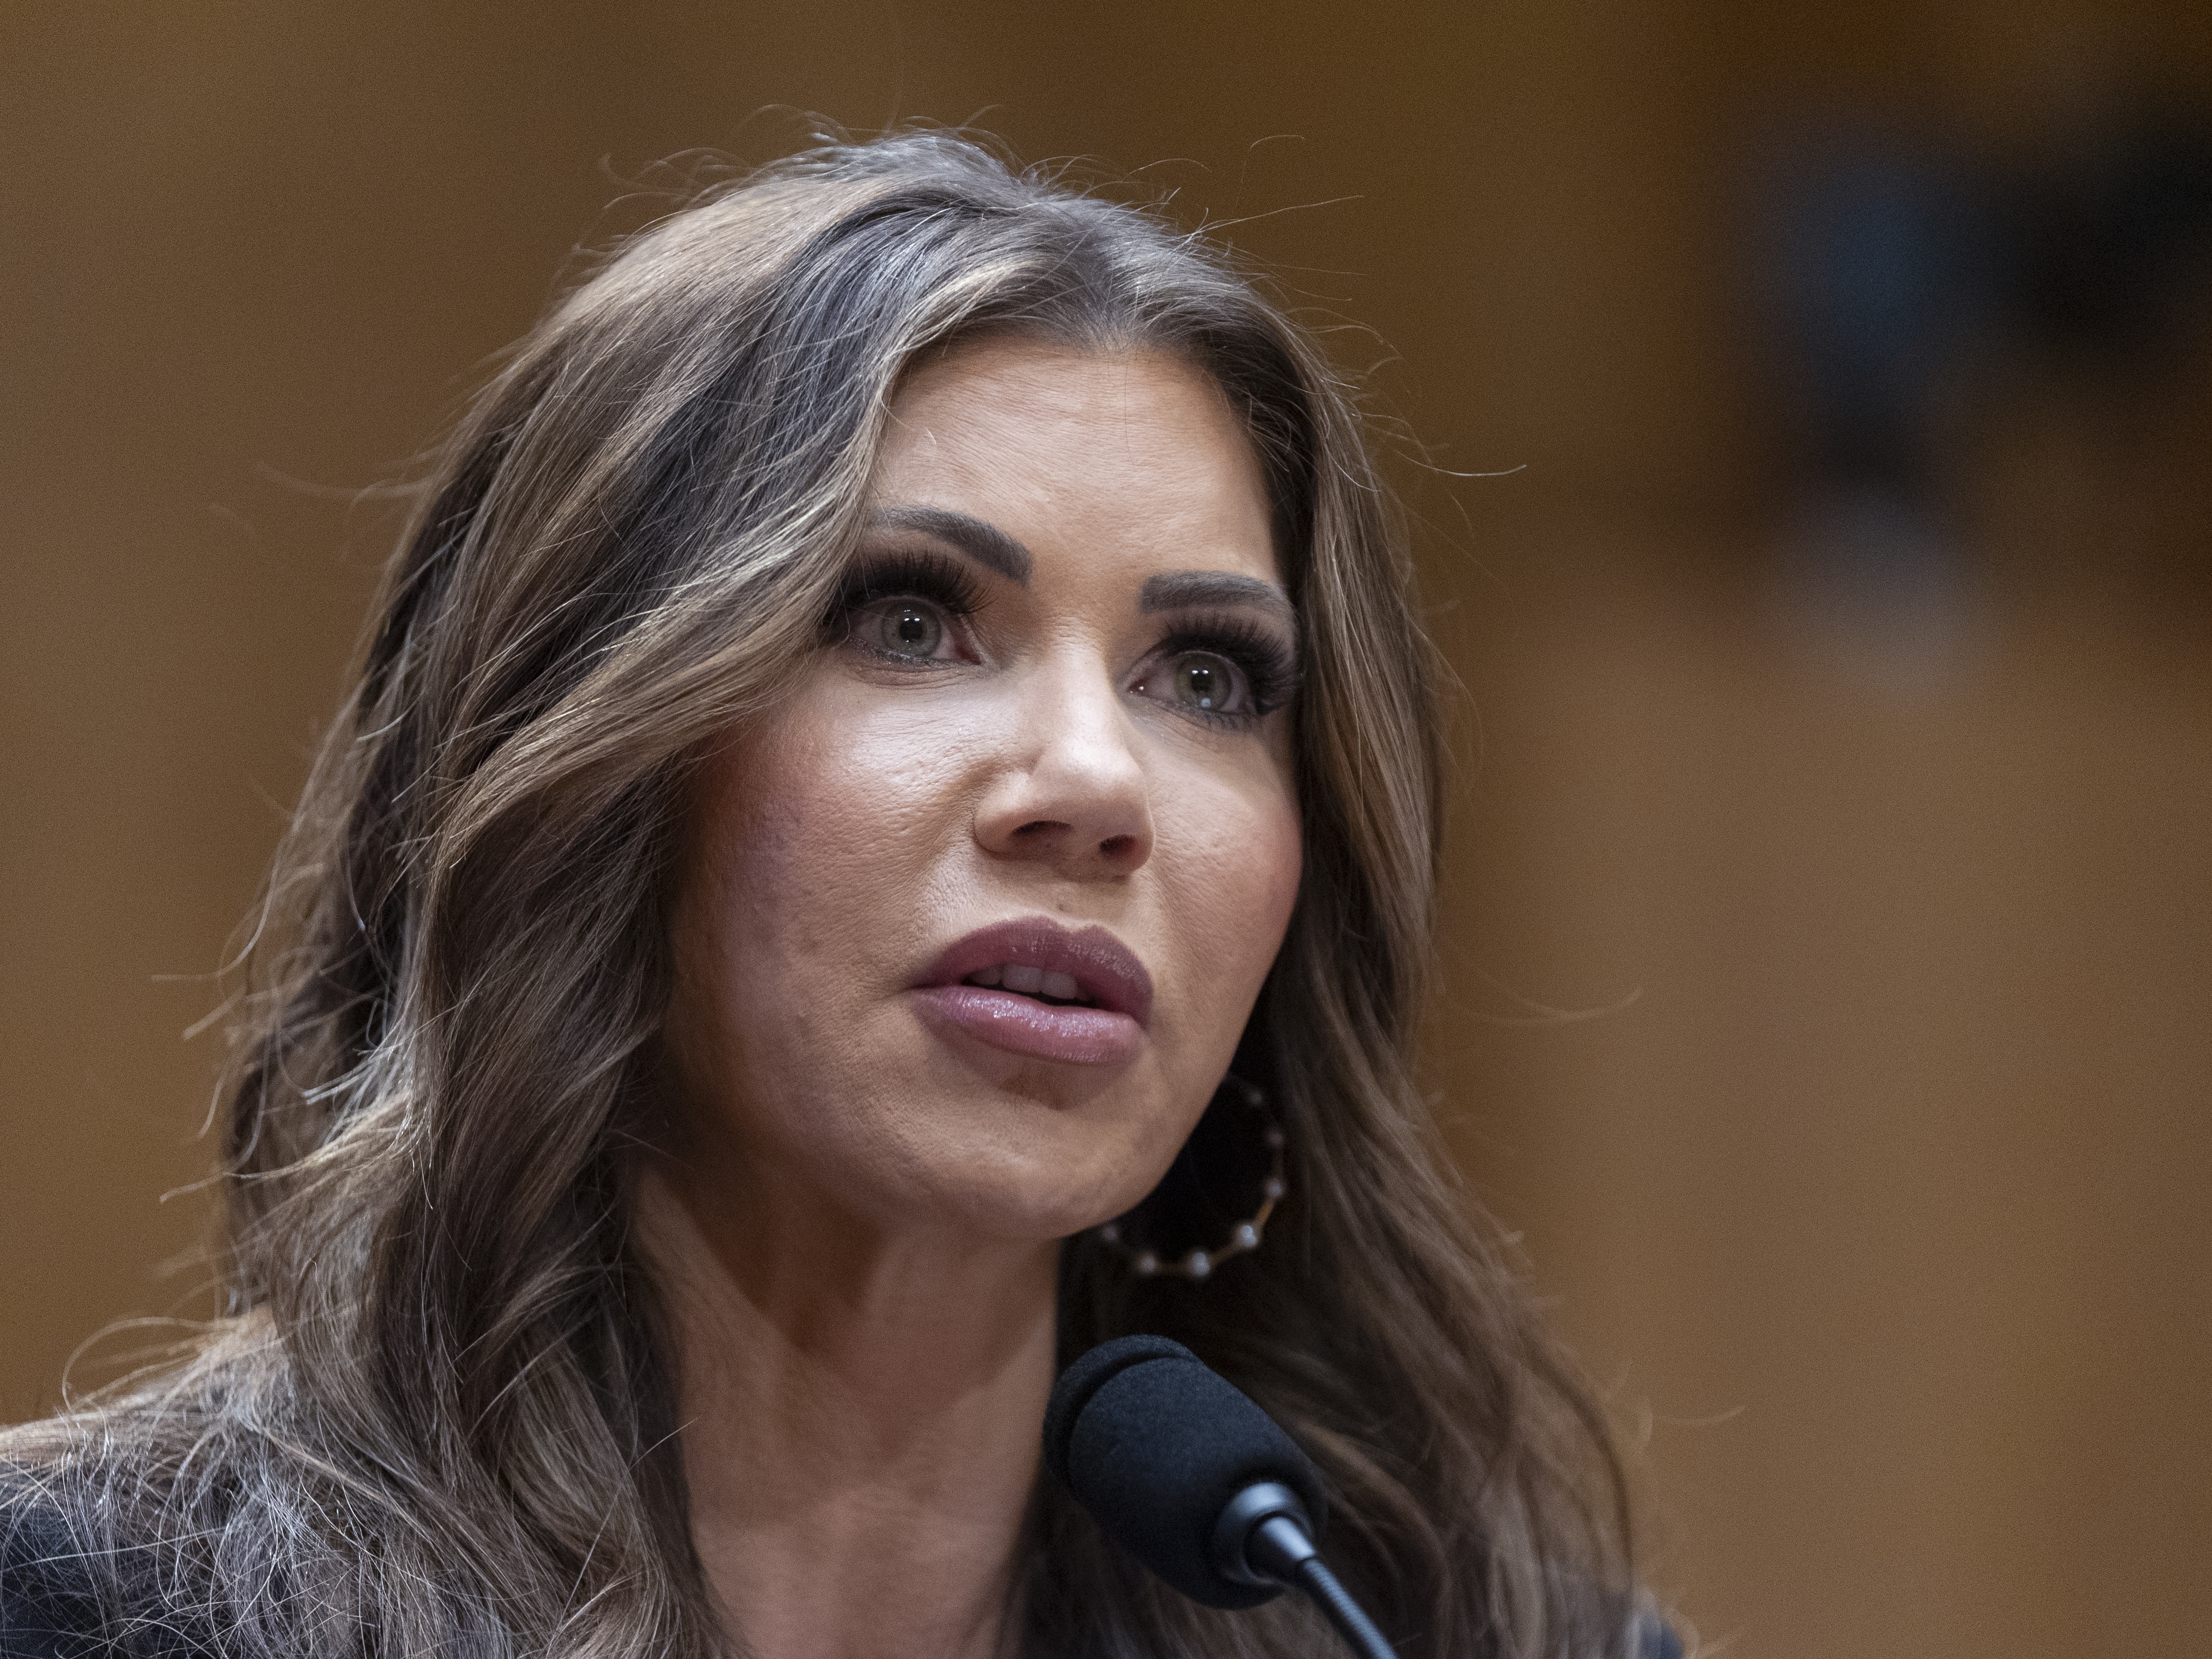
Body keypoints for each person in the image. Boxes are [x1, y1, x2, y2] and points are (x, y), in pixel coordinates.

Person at [0, 132, 1677, 1659]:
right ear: (590, 763)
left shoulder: (1480, 1643)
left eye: (1211, 679)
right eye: (907, 624)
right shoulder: (88, 1613)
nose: (1095, 786)